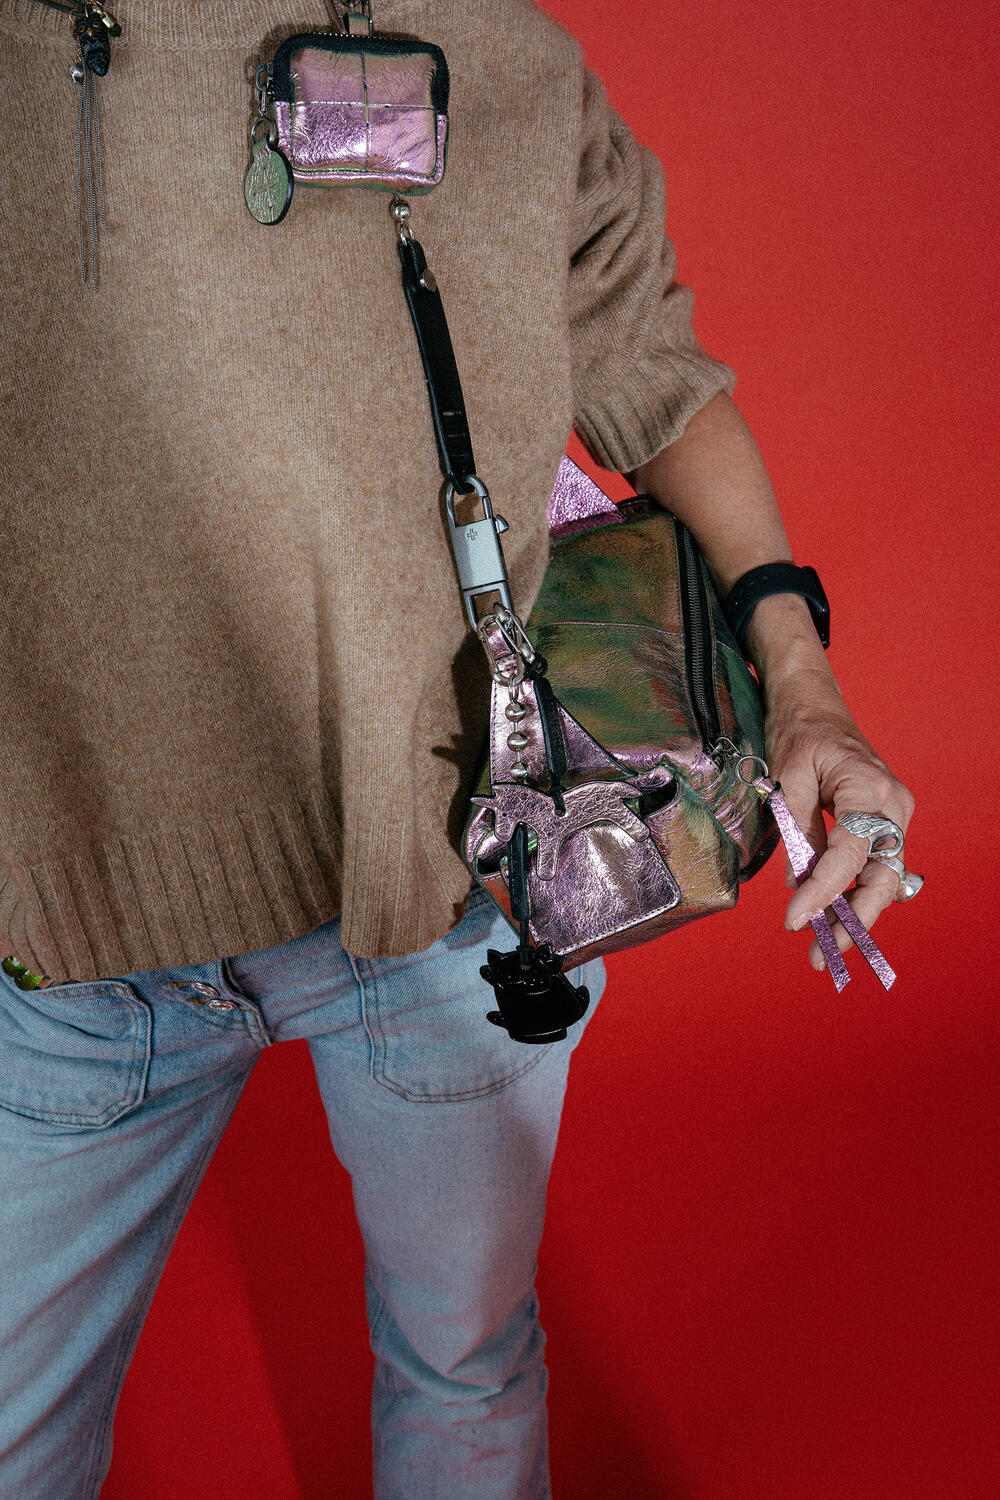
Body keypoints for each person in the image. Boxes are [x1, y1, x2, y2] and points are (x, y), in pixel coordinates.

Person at [0, 0, 916, 1495]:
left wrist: (804, 686)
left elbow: (652, 375)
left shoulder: (509, 56)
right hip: (81, 927)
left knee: (467, 1368)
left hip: (462, 895)